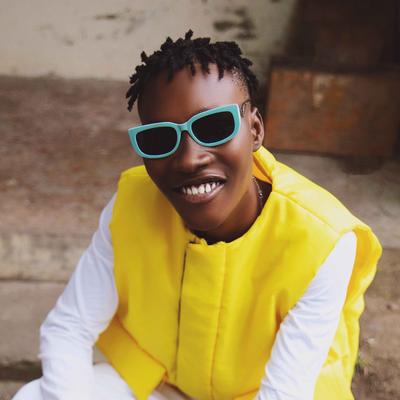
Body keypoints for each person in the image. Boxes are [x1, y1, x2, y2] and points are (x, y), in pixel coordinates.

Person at [13, 30, 382, 400]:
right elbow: (69, 328)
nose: (189, 159)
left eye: (214, 127)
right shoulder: (132, 204)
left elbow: (282, 394)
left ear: (254, 129)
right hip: (163, 386)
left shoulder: (322, 241)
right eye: (160, 139)